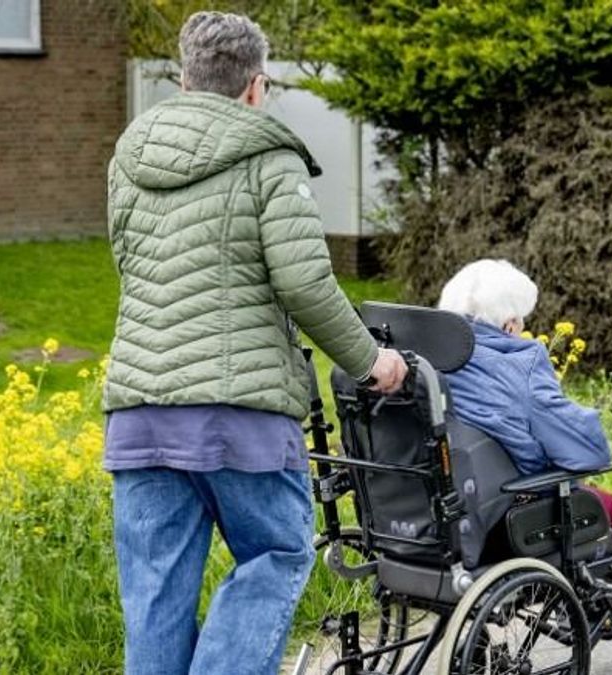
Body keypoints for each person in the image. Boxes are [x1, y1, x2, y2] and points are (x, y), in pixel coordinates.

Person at [102, 12, 407, 675]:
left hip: (138, 412)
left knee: (155, 594)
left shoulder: (131, 152)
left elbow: (129, 261)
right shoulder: (268, 156)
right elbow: (304, 281)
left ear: (185, 77)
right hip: (236, 411)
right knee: (277, 552)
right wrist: (371, 359)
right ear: (255, 86)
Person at [438, 259, 612, 634]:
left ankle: (608, 604)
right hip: (504, 520)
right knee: (609, 506)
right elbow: (585, 452)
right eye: (520, 322)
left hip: (437, 522)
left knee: (580, 499)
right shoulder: (519, 361)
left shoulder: (426, 364)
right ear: (508, 324)